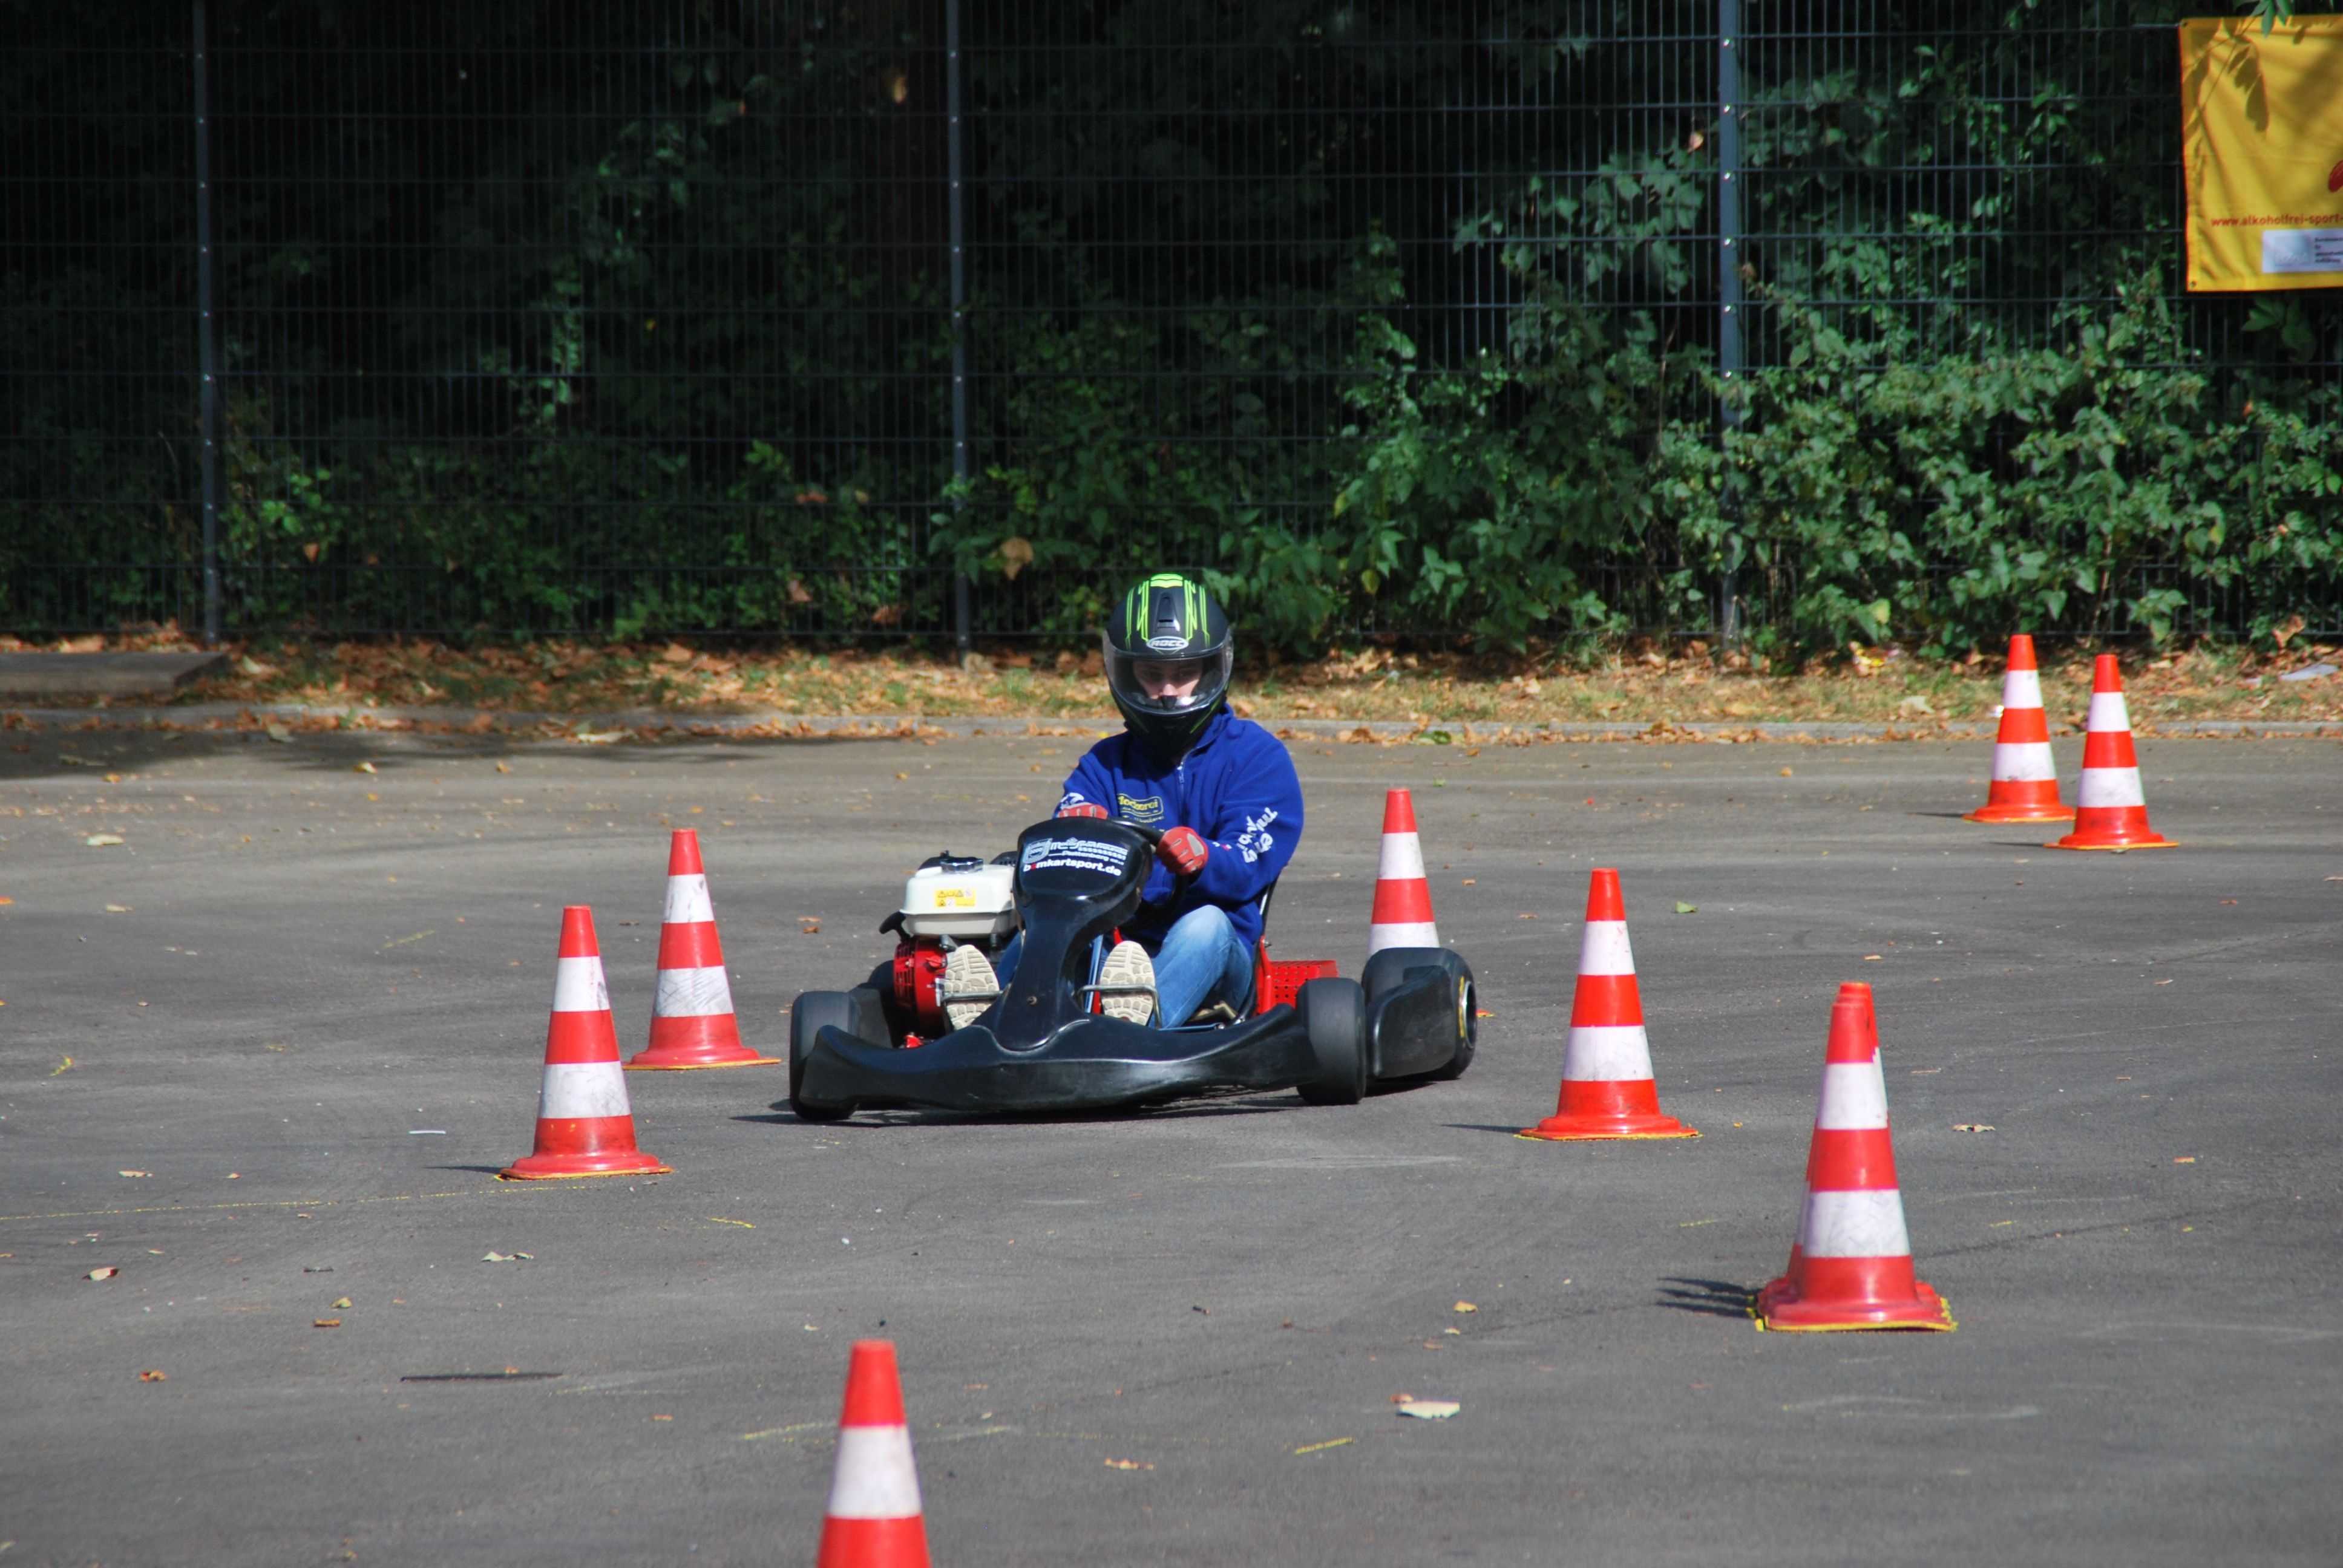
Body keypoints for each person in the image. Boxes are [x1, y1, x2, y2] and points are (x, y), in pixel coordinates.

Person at [942, 572, 1303, 1029]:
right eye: (1152, 675)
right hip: (1112, 949)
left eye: (1184, 674)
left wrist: (1204, 858)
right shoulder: (1104, 765)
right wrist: (1076, 830)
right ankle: (989, 1024)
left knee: (1205, 923)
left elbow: (1252, 862)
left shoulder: (1256, 757)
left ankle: (1137, 1027)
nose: (1169, 691)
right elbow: (1062, 875)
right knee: (1051, 933)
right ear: (1127, 672)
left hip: (1219, 960)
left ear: (1212, 669)